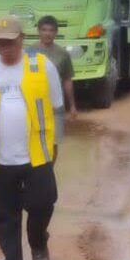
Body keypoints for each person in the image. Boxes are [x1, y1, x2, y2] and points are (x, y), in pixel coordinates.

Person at [0, 15, 65, 260]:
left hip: (36, 153)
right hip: (0, 158)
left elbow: (56, 109)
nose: (6, 48)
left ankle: (38, 240)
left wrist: (55, 147)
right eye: (0, 43)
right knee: (4, 214)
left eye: (10, 42)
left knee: (43, 203)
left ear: (22, 39)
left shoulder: (41, 66)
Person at [27, 16, 77, 159]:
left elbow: (67, 80)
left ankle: (49, 172)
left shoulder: (63, 54)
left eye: (51, 30)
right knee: (32, 140)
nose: (47, 33)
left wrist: (72, 106)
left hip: (55, 105)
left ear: (56, 32)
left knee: (53, 143)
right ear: (38, 31)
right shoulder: (29, 53)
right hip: (33, 105)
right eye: (44, 30)